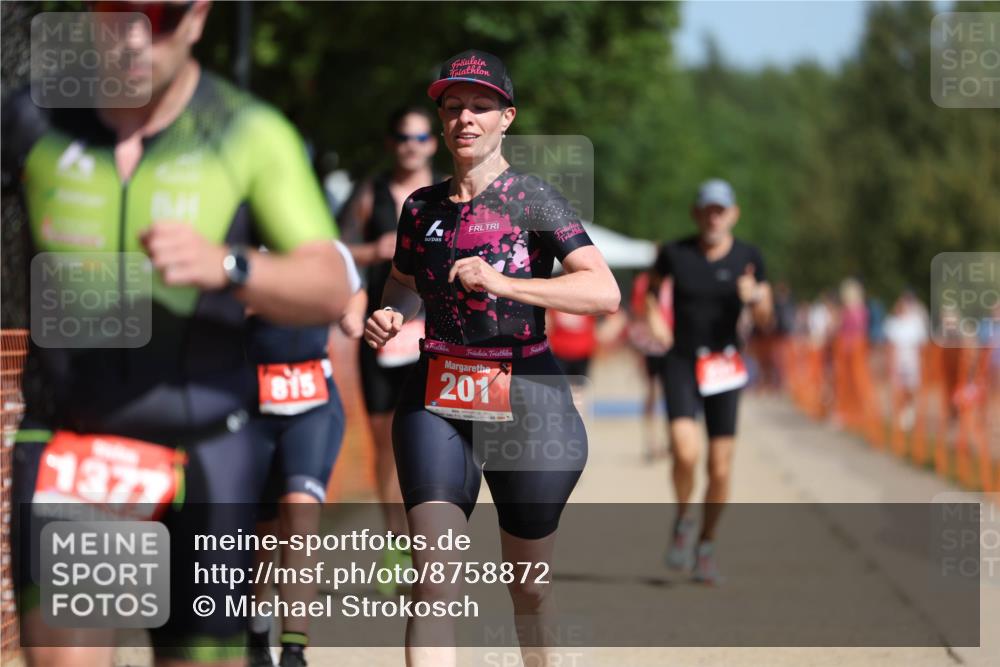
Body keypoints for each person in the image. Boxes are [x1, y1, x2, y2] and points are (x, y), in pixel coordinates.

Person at [2, 3, 350, 666]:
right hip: (77, 441)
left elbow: (332, 281)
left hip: (207, 448)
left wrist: (230, 265)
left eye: (158, 16)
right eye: (116, 13)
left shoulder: (246, 130)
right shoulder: (33, 118)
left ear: (197, 18)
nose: (135, 36)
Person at [363, 49, 619, 667]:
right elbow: (401, 278)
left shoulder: (533, 199)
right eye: (453, 107)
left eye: (480, 107)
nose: (465, 119)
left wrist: (508, 285)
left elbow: (602, 291)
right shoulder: (419, 207)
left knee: (528, 587)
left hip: (527, 398)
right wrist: (392, 309)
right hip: (437, 396)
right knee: (434, 582)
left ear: (508, 117)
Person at [647, 178, 772, 585]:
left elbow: (768, 319)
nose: (714, 217)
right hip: (682, 360)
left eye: (721, 210)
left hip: (724, 365)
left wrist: (754, 297)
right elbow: (649, 294)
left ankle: (707, 541)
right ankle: (684, 518)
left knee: (719, 466)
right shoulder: (675, 253)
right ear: (696, 213)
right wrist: (656, 324)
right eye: (707, 209)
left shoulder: (749, 258)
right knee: (685, 453)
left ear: (733, 214)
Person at [246, 246, 364, 667]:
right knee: (260, 532)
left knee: (300, 512)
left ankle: (295, 647)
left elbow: (355, 286)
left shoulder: (321, 245)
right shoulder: (237, 243)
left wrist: (353, 314)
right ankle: (256, 630)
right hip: (250, 404)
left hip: (313, 402)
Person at [340, 106, 441, 586]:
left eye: (421, 136)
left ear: (433, 144)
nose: (411, 145)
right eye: (402, 136)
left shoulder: (446, 196)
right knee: (385, 444)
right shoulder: (370, 193)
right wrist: (372, 250)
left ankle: (431, 548)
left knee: (431, 438)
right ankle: (398, 546)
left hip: (434, 332)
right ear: (390, 143)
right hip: (381, 332)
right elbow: (332, 249)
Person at [628, 271, 673, 460]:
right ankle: (651, 441)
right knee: (651, 393)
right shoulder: (645, 281)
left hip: (673, 346)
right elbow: (637, 311)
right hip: (651, 346)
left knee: (672, 394)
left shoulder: (677, 279)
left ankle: (671, 440)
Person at [884, 291, 929, 432]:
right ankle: (900, 413)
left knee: (910, 387)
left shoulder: (916, 321)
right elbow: (889, 343)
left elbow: (922, 343)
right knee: (898, 388)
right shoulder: (893, 322)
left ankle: (910, 411)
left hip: (911, 359)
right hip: (897, 359)